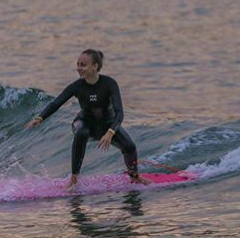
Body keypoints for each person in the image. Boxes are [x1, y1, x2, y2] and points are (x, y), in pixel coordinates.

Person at [25, 49, 151, 190]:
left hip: (107, 125)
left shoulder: (109, 84)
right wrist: (40, 117)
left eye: (83, 65)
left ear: (95, 66)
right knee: (81, 132)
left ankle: (135, 177)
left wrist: (110, 132)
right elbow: (56, 103)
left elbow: (119, 112)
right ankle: (74, 179)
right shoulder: (77, 86)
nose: (79, 68)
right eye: (78, 64)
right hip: (84, 123)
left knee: (129, 146)